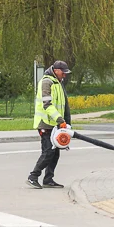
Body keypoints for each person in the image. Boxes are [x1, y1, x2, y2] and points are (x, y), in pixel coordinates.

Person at [27, 60, 72, 189]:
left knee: (55, 153)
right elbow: (47, 104)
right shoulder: (47, 82)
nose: (64, 75)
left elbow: (64, 106)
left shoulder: (58, 83)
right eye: (63, 73)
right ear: (56, 70)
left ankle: (48, 179)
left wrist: (66, 123)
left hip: (55, 124)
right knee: (48, 152)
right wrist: (60, 120)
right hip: (45, 123)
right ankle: (33, 176)